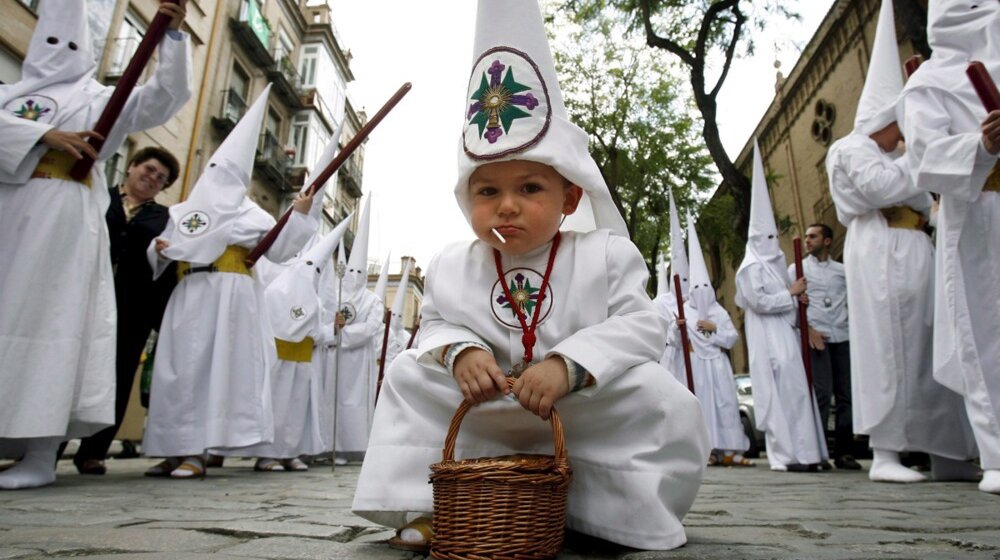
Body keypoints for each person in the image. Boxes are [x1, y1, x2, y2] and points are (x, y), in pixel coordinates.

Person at [352, 0, 708, 552]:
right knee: (405, 376)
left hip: (579, 407)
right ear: (466, 198)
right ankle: (437, 509)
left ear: (569, 197)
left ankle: (610, 512)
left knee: (661, 396)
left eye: (530, 188)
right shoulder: (452, 263)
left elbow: (642, 325)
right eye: (487, 191)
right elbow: (437, 321)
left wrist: (571, 365)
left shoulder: (608, 254)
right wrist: (460, 352)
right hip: (488, 406)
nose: (507, 206)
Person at [0, 0, 191, 490]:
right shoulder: (13, 93)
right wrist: (45, 133)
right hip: (9, 214)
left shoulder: (100, 97)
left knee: (53, 322)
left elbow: (167, 95)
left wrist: (171, 37)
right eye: (48, 38)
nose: (56, 50)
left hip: (62, 217)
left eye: (67, 41)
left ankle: (41, 452)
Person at [141, 85, 317, 479]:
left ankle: (199, 452)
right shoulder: (186, 210)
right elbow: (163, 248)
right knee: (178, 371)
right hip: (189, 294)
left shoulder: (253, 215)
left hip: (232, 298)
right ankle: (173, 449)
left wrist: (299, 215)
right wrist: (161, 249)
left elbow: (279, 251)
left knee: (216, 371)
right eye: (216, 170)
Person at [897, 0, 999, 493]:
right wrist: (981, 147)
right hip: (979, 210)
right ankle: (997, 452)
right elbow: (925, 158)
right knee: (987, 332)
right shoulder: (928, 83)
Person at [70, 148, 183, 475]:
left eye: (161, 178)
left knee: (118, 374)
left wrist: (165, 253)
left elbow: (167, 264)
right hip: (83, 295)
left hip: (133, 305)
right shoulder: (96, 197)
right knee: (69, 366)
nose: (152, 178)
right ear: (131, 166)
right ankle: (45, 448)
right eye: (149, 169)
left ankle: (94, 451)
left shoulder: (164, 218)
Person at [735, 141, 829, 473]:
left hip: (785, 336)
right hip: (764, 337)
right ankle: (785, 454)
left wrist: (795, 302)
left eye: (774, 239)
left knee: (798, 391)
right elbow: (758, 302)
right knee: (775, 393)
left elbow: (786, 304)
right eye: (766, 240)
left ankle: (808, 452)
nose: (772, 246)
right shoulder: (748, 269)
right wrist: (790, 294)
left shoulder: (775, 266)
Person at [246, 218, 351, 472]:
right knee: (277, 410)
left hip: (304, 362)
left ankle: (290, 453)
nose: (313, 274)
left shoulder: (314, 300)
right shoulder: (276, 292)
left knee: (296, 413)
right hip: (279, 361)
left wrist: (334, 328)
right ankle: (267, 455)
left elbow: (317, 334)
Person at [671, 219, 751, 467]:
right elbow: (673, 341)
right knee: (702, 407)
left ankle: (730, 447)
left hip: (717, 364)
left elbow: (732, 338)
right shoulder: (684, 311)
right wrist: (679, 328)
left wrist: (714, 330)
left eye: (706, 285)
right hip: (696, 364)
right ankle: (705, 449)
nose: (702, 290)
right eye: (697, 286)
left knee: (725, 405)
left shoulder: (718, 312)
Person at [785, 224, 859, 471]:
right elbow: (792, 307)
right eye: (806, 237)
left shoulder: (842, 270)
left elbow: (853, 301)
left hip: (843, 335)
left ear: (827, 241)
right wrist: (808, 329)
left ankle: (845, 452)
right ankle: (819, 450)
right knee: (822, 393)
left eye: (813, 236)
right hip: (817, 338)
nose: (807, 240)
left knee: (846, 396)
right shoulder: (797, 269)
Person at [323, 198, 383, 465]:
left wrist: (343, 333)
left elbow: (371, 328)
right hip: (334, 357)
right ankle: (327, 447)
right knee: (330, 399)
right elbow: (324, 319)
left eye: (361, 270)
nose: (355, 274)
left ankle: (352, 446)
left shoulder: (373, 300)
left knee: (353, 402)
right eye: (352, 270)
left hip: (357, 361)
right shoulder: (333, 294)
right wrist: (333, 328)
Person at [651, 188, 690, 388]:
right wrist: (675, 328)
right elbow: (659, 336)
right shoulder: (659, 304)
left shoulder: (695, 299)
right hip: (671, 362)